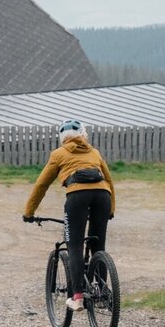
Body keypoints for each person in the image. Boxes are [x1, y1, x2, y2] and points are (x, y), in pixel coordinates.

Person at [23, 119, 115, 311]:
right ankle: (102, 293)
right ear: (83, 134)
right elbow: (108, 180)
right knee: (98, 245)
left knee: (74, 244)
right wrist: (111, 209)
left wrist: (29, 212)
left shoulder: (58, 154)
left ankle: (78, 297)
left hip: (77, 197)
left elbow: (42, 184)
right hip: (103, 196)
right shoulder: (94, 152)